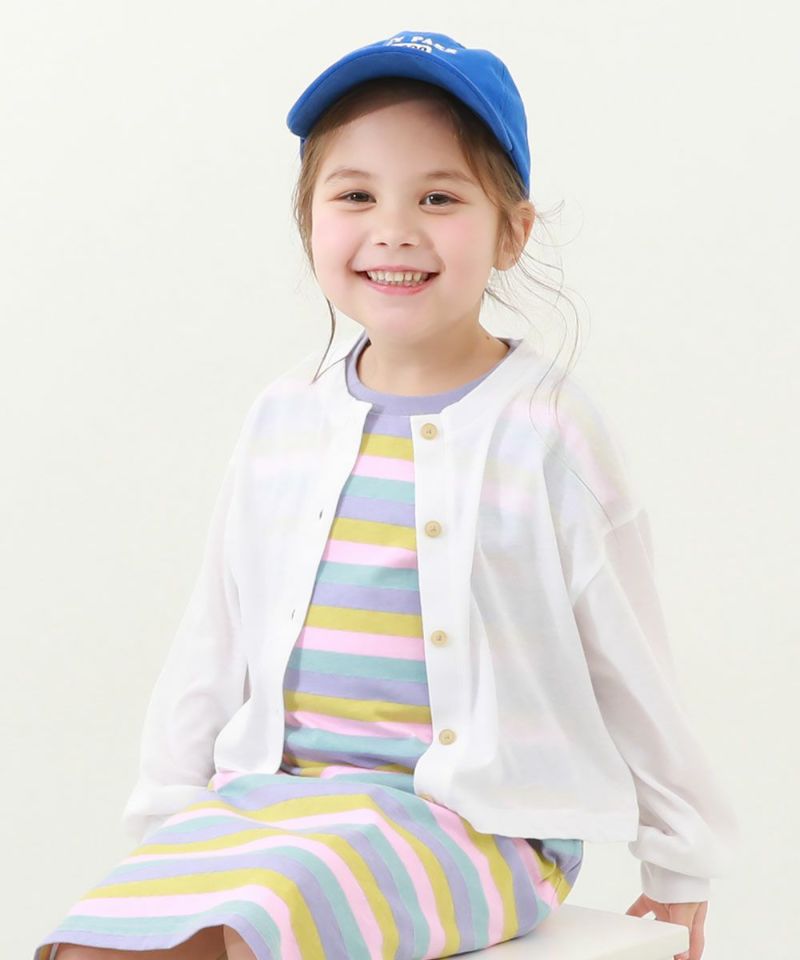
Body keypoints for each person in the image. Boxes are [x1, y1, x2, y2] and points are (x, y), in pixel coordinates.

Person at [34, 28, 739, 960]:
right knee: (95, 941)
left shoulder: (546, 429)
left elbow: (630, 656)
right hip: (271, 805)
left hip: (478, 827)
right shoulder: (284, 415)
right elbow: (217, 626)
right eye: (356, 195)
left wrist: (680, 862)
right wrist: (171, 809)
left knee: (252, 924)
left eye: (438, 197)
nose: (394, 229)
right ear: (311, 222)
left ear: (512, 230)